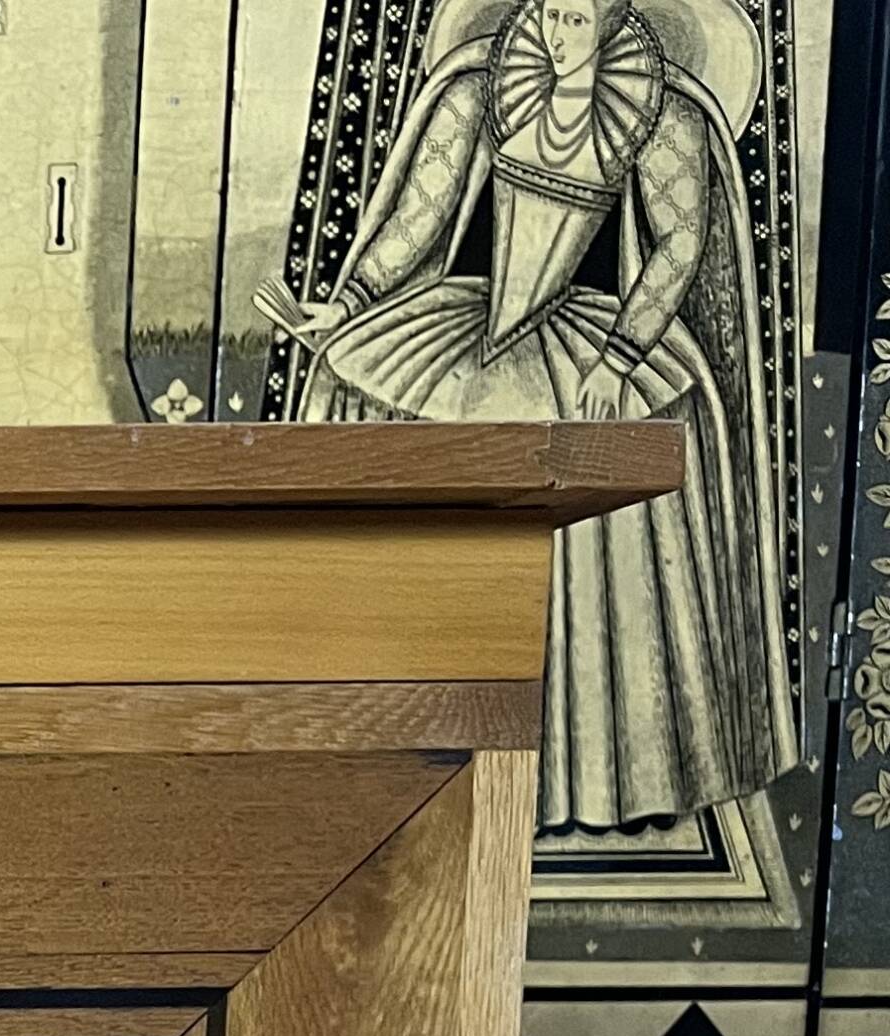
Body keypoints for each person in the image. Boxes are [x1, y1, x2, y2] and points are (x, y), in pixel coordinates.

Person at [262, 0, 792, 831]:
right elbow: (417, 217)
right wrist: (353, 302)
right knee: (380, 412)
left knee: (595, 507)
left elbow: (679, 245)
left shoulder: (661, 107)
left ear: (618, 15)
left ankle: (592, 784)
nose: (557, 29)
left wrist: (621, 358)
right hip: (467, 327)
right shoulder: (481, 87)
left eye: (577, 16)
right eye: (547, 10)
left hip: (596, 339)